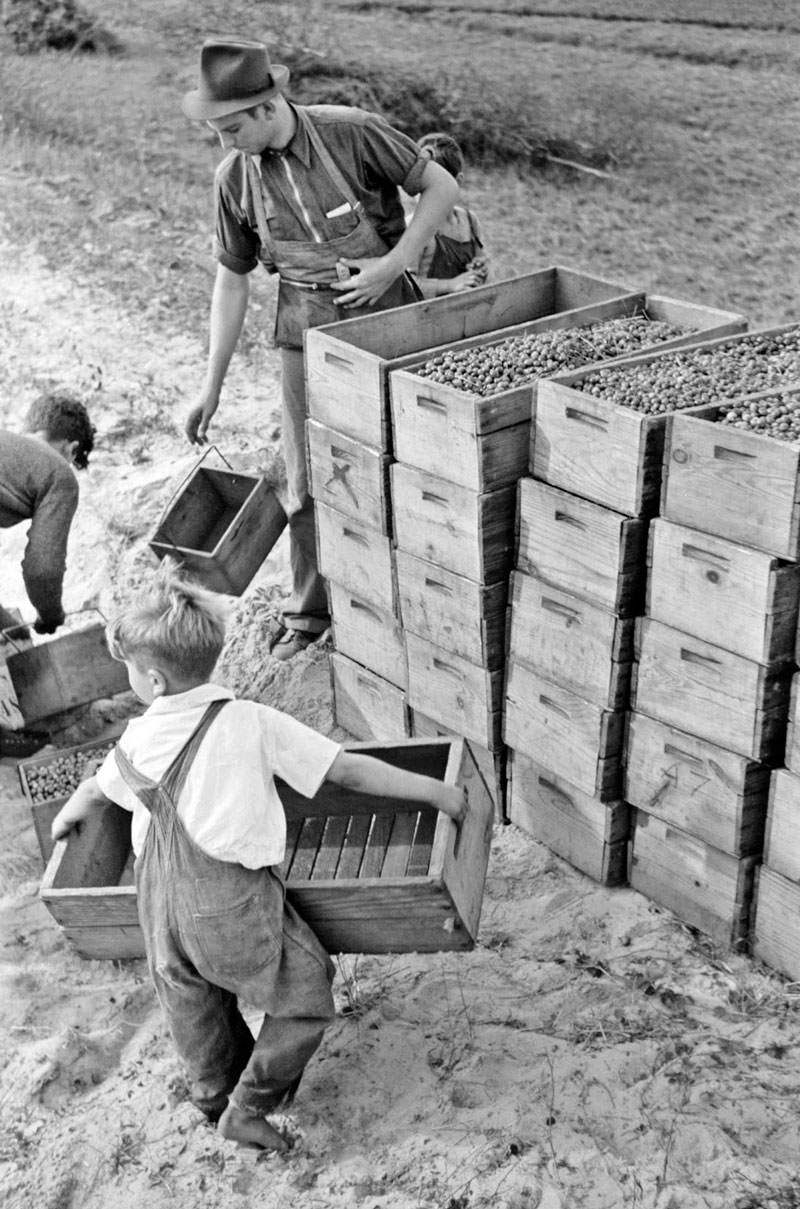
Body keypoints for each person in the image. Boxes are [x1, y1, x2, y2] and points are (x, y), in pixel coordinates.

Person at [50, 561, 466, 1153]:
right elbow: (345, 768)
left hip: (158, 912)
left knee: (194, 1008)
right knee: (305, 991)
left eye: (131, 676)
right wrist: (435, 793)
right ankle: (248, 1107)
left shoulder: (137, 738)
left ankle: (213, 1096)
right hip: (228, 905)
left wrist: (68, 817)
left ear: (155, 683)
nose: (131, 685)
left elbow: (96, 790)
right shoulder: (250, 721)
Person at [181, 36, 459, 661]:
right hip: (302, 327)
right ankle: (310, 614)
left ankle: (424, 595)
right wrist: (211, 385)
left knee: (411, 461)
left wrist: (393, 263)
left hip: (388, 316)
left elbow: (439, 187)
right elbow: (232, 279)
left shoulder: (352, 133)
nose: (224, 142)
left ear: (268, 106)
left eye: (231, 128)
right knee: (306, 475)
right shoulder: (233, 180)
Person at [0, 391, 95, 758]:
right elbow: (42, 568)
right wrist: (50, 615)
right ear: (71, 449)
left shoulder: (11, 446)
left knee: (10, 629)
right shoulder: (59, 474)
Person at [410, 132, 490, 299]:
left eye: (433, 187)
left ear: (457, 182)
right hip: (426, 318)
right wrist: (450, 285)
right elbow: (406, 286)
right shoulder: (414, 227)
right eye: (420, 186)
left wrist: (480, 270)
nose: (423, 195)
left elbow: (482, 261)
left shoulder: (469, 220)